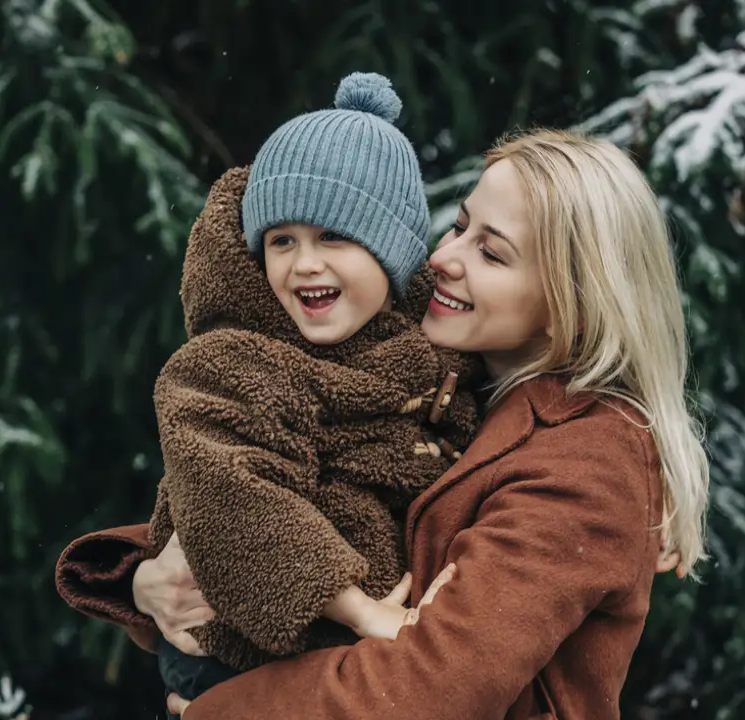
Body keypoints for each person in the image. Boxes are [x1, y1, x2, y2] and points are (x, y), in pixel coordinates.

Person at [55, 128, 706, 719]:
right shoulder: (456, 388)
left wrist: (220, 712)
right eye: (458, 226)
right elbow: (289, 491)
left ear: (575, 301)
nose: (446, 257)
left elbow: (427, 689)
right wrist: (146, 578)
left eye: (492, 253)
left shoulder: (586, 461)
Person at [140, 71, 479, 714]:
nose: (304, 264)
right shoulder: (231, 361)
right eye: (281, 241)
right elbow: (232, 494)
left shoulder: (426, 362)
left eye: (335, 237)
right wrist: (359, 613)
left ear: (393, 258)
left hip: (351, 674)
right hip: (238, 666)